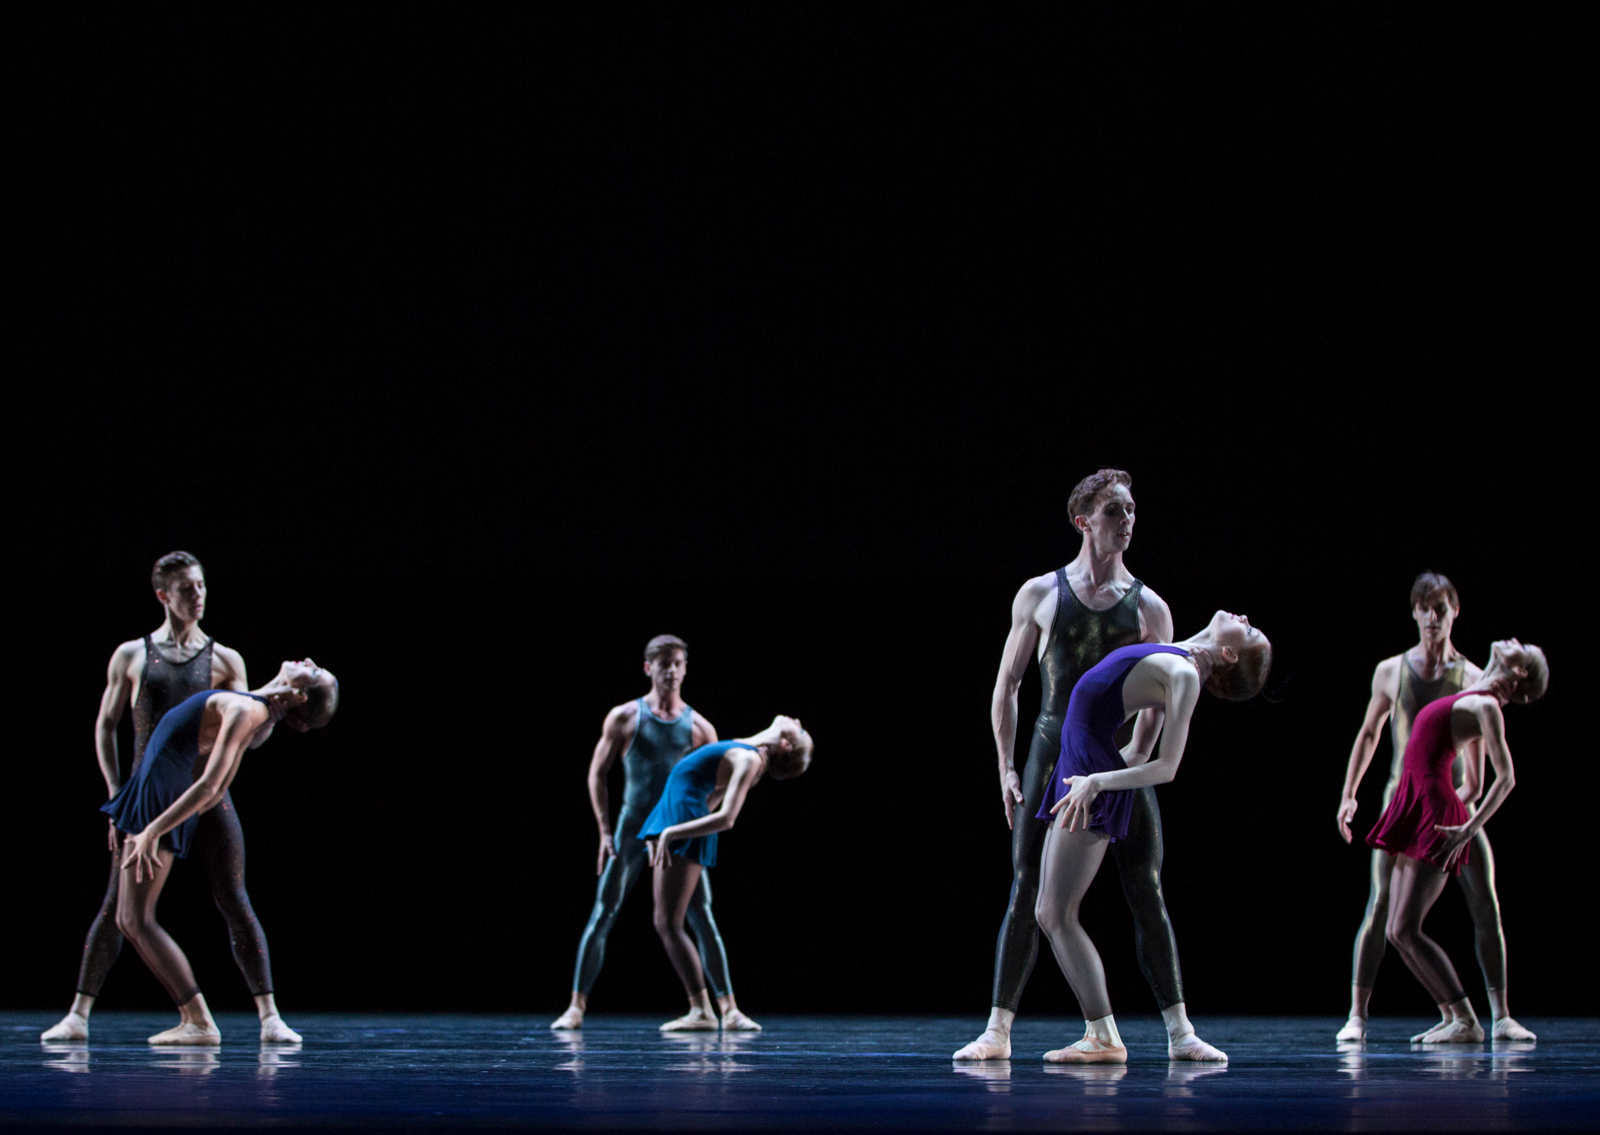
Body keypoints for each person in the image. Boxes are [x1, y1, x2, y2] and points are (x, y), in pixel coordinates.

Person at [954, 469, 1222, 1062]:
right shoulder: (1041, 593)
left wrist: (1126, 766)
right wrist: (1005, 767)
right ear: (1084, 521)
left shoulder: (1150, 606)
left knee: (1145, 884)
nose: (1128, 521)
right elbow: (1008, 685)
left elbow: (1159, 703)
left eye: (1131, 511)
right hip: (1051, 751)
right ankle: (998, 1029)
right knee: (1028, 883)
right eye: (1115, 512)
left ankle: (1180, 1031)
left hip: (1113, 757)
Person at [42, 552, 300, 1044]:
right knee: (117, 907)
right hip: (151, 794)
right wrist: (117, 794)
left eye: (201, 586)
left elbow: (247, 727)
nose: (198, 596)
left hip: (206, 796)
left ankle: (270, 1017)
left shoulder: (226, 659)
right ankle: (78, 1014)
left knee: (233, 898)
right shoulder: (132, 655)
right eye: (187, 589)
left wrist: (278, 707)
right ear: (163, 595)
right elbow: (106, 725)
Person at [1035, 614, 1272, 1062]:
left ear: (1230, 653)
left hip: (1089, 772)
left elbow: (1166, 767)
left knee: (1055, 912)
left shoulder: (1183, 675)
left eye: (1251, 629)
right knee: (1050, 910)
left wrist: (1098, 783)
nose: (1244, 618)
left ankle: (1103, 1037)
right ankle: (1102, 1034)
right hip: (1082, 765)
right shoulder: (1176, 652)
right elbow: (1139, 748)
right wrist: (1088, 774)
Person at [1335, 573, 1536, 1043]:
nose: (1431, 617)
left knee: (1483, 901)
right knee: (1383, 908)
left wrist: (1462, 818)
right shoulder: (1392, 670)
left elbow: (1482, 769)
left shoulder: (1472, 678)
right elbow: (1369, 733)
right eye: (1423, 608)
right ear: (1414, 612)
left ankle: (1497, 1014)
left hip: (1451, 806)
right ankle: (1358, 1015)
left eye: (1440, 608)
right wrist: (1350, 792)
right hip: (1402, 800)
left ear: (1454, 611)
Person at [102, 658, 339, 1044]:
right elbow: (218, 777)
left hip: (159, 796)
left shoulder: (247, 709)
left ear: (299, 693)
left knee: (134, 918)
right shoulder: (253, 705)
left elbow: (213, 787)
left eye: (314, 672)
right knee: (131, 918)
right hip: (155, 787)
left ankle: (198, 1020)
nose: (309, 661)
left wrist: (153, 828)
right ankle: (195, 1019)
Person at [551, 636, 754, 1031]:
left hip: (673, 834)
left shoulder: (700, 727)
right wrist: (604, 830)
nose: (671, 671)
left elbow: (715, 788)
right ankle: (576, 1007)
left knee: (701, 915)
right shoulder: (625, 717)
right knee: (604, 911)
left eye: (678, 663)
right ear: (648, 668)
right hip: (631, 829)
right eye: (663, 664)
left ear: (685, 667)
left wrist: (687, 829)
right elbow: (597, 773)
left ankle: (729, 1009)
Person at [640, 715, 812, 1032]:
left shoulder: (748, 758)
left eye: (800, 729)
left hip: (683, 826)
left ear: (785, 744)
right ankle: (726, 1010)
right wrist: (659, 827)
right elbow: (711, 793)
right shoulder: (748, 749)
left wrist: (672, 833)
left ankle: (703, 1010)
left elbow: (727, 817)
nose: (798, 720)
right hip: (682, 819)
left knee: (667, 923)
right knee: (694, 916)